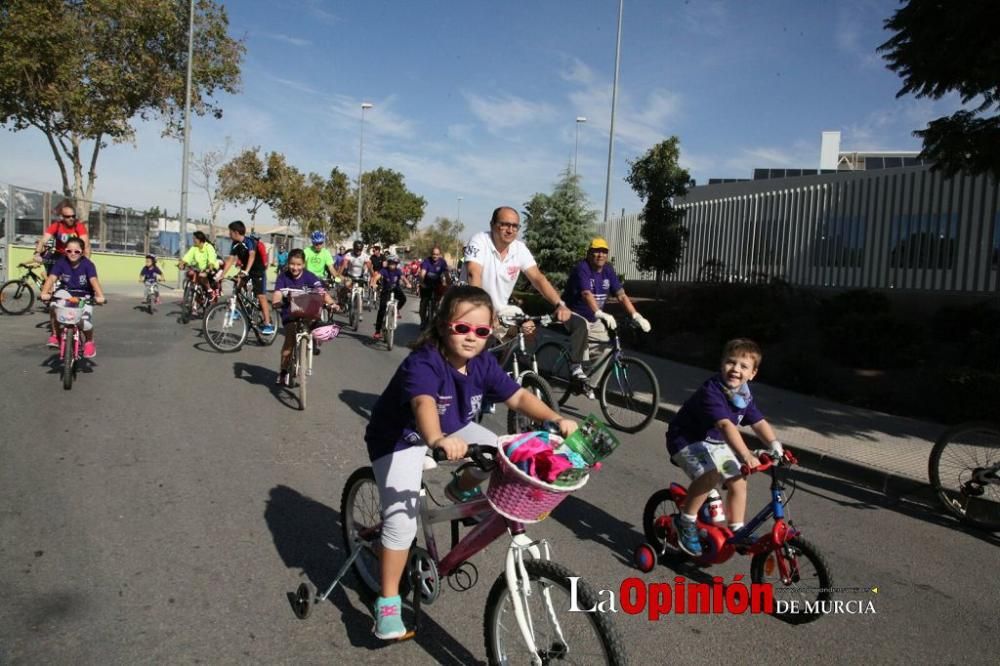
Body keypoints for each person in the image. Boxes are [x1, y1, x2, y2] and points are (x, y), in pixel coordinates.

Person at [363, 285, 578, 639]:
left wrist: (555, 419)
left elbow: (519, 395)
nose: (471, 338)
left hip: (454, 429)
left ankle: (458, 488)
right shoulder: (424, 361)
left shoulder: (483, 363)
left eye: (481, 331)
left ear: (490, 330)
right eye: (462, 328)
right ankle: (387, 603)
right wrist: (437, 440)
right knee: (401, 522)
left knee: (505, 454)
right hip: (400, 439)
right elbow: (423, 405)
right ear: (444, 324)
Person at [665, 338, 783, 557]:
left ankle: (737, 529)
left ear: (753, 374)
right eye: (731, 362)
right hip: (686, 439)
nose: (735, 369)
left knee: (738, 481)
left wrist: (775, 445)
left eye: (743, 366)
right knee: (709, 475)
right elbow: (725, 425)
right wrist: (745, 454)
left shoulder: (743, 395)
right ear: (722, 364)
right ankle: (685, 521)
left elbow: (757, 421)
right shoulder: (712, 391)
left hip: (715, 443)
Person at [561, 237, 651, 398]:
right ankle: (575, 365)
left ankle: (587, 384)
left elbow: (621, 296)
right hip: (571, 314)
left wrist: (636, 315)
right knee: (582, 325)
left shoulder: (608, 270)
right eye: (596, 251)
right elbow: (586, 293)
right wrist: (599, 313)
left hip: (594, 319)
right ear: (589, 253)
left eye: (604, 252)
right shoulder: (582, 268)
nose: (600, 255)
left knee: (606, 349)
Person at [463, 206, 572, 333]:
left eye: (515, 226)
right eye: (505, 224)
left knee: (528, 329)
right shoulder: (480, 240)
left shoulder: (519, 249)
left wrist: (559, 305)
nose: (510, 230)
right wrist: (485, 310)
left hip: (501, 310)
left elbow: (537, 278)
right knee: (480, 344)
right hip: (471, 306)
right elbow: (473, 274)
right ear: (492, 225)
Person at [271, 248, 339, 386]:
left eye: (298, 264)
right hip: (289, 313)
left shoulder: (310, 276)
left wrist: (331, 303)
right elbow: (277, 293)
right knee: (289, 342)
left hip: (307, 312)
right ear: (288, 263)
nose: (295, 267)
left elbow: (321, 292)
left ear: (303, 264)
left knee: (316, 326)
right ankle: (283, 371)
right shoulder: (283, 277)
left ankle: (310, 345)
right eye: (292, 264)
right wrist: (276, 302)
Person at [39, 237, 106, 357]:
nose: (73, 254)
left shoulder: (88, 265)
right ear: (65, 251)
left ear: (82, 252)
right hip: (66, 293)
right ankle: (55, 335)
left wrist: (100, 296)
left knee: (85, 323)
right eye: (69, 251)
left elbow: (94, 280)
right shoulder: (61, 262)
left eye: (77, 251)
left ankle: (89, 341)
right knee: (54, 306)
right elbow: (52, 278)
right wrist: (45, 293)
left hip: (84, 296)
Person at [217, 220, 273, 334]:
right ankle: (237, 310)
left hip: (258, 271)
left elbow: (252, 256)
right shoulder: (235, 244)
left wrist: (246, 271)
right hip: (246, 270)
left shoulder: (249, 242)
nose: (229, 234)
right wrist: (221, 275)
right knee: (237, 287)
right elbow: (230, 260)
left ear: (236, 232)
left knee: (261, 296)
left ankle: (268, 324)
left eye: (230, 232)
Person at [34, 203, 91, 271]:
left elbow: (86, 245)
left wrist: (85, 262)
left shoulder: (78, 226)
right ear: (62, 217)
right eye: (68, 216)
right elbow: (43, 240)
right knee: (51, 275)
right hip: (59, 255)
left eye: (73, 216)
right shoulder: (56, 226)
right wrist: (37, 254)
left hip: (74, 255)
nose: (71, 218)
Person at [370, 254, 410, 340]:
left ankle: (397, 309)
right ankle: (377, 331)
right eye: (391, 263)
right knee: (382, 308)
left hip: (396, 289)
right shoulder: (384, 270)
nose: (392, 265)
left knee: (403, 299)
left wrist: (407, 283)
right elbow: (377, 277)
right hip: (386, 291)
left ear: (396, 264)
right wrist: (373, 283)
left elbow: (403, 278)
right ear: (388, 263)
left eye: (394, 263)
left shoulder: (398, 271)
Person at [178, 231, 220, 299]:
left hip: (211, 268)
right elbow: (187, 257)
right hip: (200, 268)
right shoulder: (194, 248)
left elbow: (211, 260)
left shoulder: (208, 247)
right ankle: (192, 293)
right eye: (193, 238)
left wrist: (208, 269)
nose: (193, 240)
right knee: (189, 273)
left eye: (194, 238)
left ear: (200, 239)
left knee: (202, 276)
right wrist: (182, 263)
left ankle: (209, 290)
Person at [417, 246, 449, 328]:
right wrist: (421, 283)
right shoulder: (426, 261)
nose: (435, 256)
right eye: (433, 254)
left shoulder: (442, 262)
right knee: (424, 303)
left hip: (437, 284)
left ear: (440, 255)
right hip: (426, 284)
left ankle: (436, 319)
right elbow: (422, 274)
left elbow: (446, 274)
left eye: (437, 254)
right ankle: (423, 321)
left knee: (439, 303)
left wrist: (448, 284)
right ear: (431, 254)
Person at [338, 240, 372, 305]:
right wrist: (338, 275)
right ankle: (341, 300)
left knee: (361, 290)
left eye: (360, 250)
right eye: (356, 250)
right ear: (354, 249)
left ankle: (358, 305)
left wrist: (372, 277)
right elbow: (343, 265)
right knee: (346, 286)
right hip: (350, 275)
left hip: (360, 276)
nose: (358, 251)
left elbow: (370, 268)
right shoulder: (349, 254)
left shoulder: (365, 256)